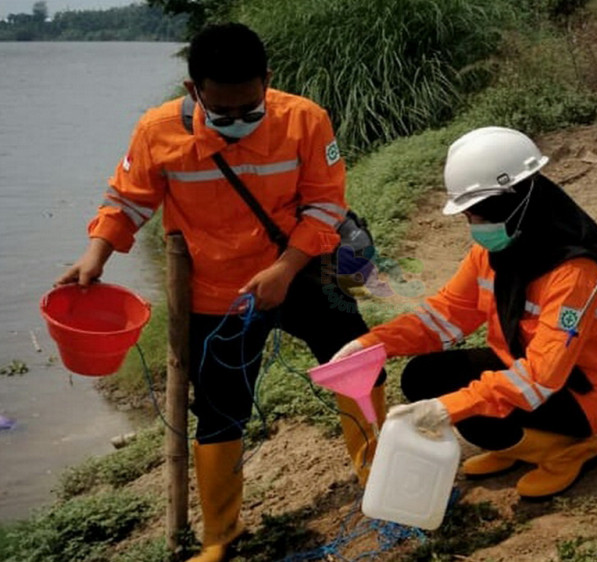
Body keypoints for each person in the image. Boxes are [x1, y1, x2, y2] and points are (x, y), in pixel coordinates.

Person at [56, 23, 385, 562]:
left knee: (358, 361)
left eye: (250, 110)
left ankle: (379, 478)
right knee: (219, 410)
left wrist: (284, 269)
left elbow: (326, 206)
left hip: (301, 272)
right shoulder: (157, 131)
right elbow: (128, 201)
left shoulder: (305, 119)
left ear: (268, 82)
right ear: (193, 92)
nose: (238, 123)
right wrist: (95, 255)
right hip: (216, 295)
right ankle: (220, 537)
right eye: (222, 113)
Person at [332, 127, 597, 499]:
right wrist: (372, 344)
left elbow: (541, 378)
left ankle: (568, 449)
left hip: (586, 389)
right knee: (423, 377)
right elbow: (444, 316)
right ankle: (518, 446)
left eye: (480, 215)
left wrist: (450, 407)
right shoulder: (495, 253)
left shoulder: (573, 274)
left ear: (518, 202)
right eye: (470, 216)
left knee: (478, 417)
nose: (475, 226)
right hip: (524, 368)